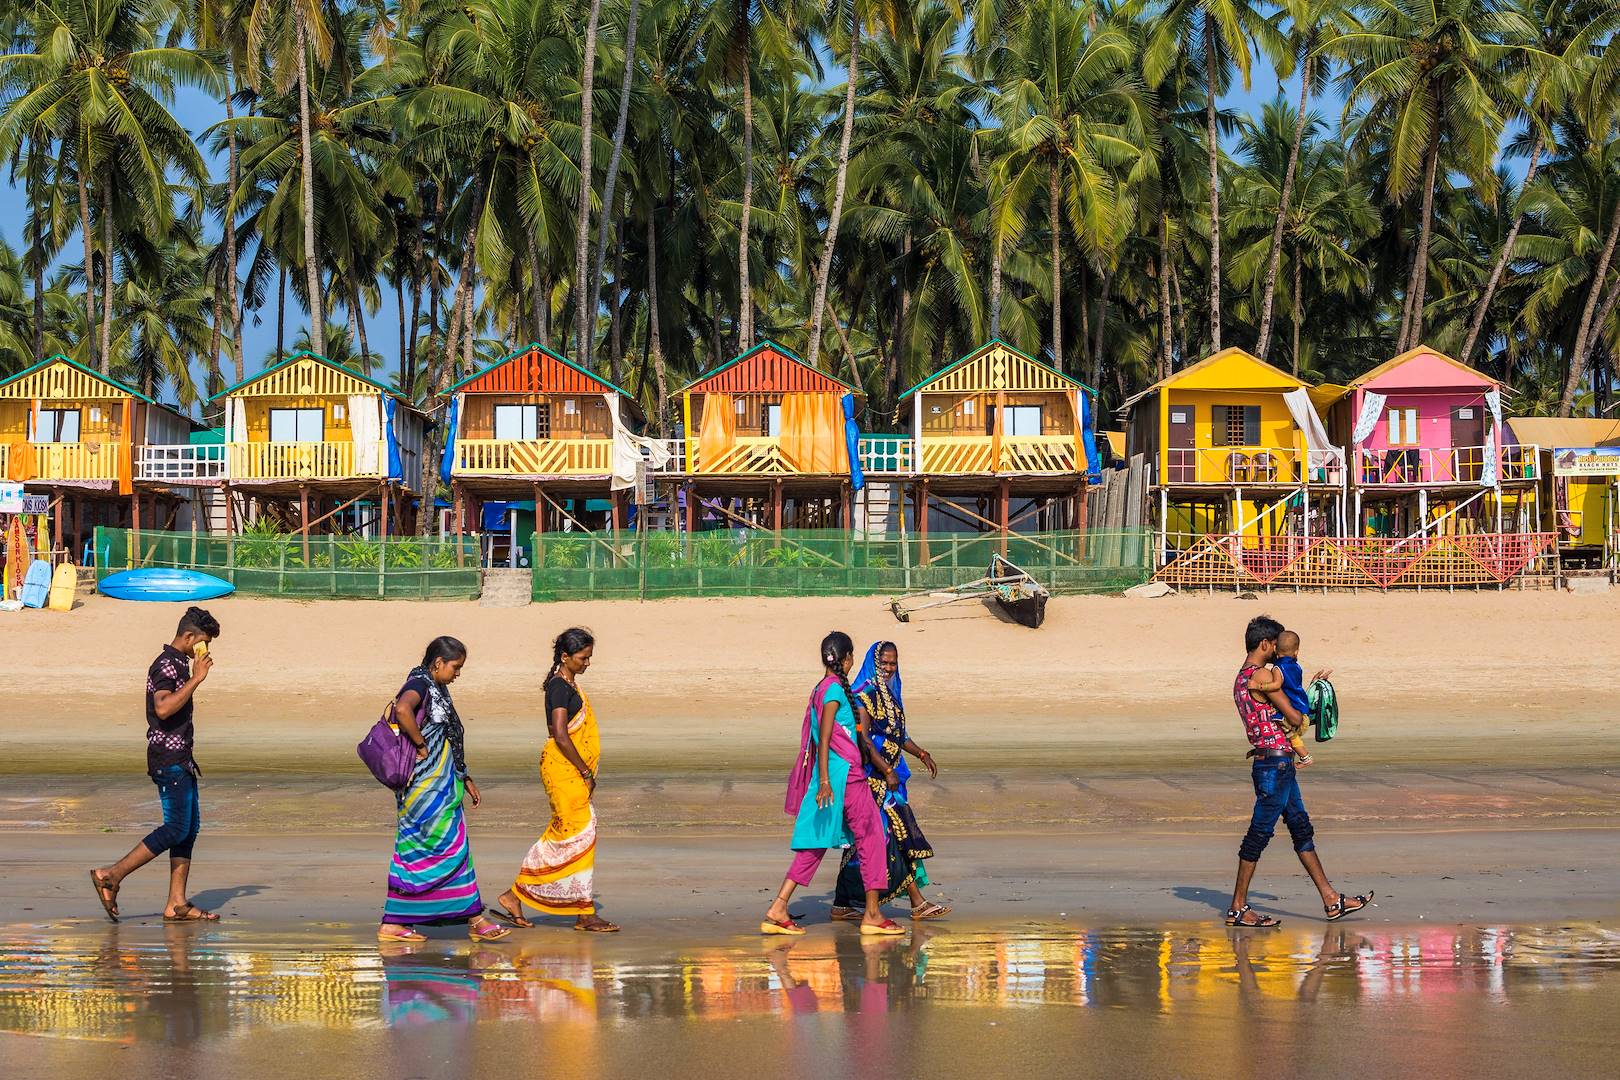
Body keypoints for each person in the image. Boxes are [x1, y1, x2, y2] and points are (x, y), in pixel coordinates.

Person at [1226, 615, 1371, 928]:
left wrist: (1301, 692)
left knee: (1300, 827)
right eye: (1276, 646)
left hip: (1275, 762)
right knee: (1258, 835)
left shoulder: (1242, 677)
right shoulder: (1262, 673)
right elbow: (1292, 715)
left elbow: (1276, 709)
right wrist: (1310, 699)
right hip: (1275, 765)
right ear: (1265, 644)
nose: (1279, 652)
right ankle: (1238, 907)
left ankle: (1331, 899)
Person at [762, 632, 905, 937]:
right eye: (851, 656)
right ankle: (873, 915)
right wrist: (826, 780)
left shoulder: (822, 687)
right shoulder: (834, 690)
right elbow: (825, 738)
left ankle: (779, 907)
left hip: (833, 776)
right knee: (871, 838)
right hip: (845, 777)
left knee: (814, 843)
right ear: (847, 658)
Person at [90, 607, 222, 923]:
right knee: (175, 827)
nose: (203, 650)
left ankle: (176, 903)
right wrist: (197, 679)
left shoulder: (178, 663)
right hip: (168, 758)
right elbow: (163, 708)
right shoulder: (167, 664)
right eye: (203, 642)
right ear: (189, 637)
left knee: (188, 830)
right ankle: (111, 875)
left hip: (182, 758)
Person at [378, 637, 510, 943]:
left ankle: (397, 922)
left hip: (441, 784)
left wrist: (464, 777)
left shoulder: (434, 686)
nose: (458, 673)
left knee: (426, 850)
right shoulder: (419, 685)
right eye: (455, 667)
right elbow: (402, 710)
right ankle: (474, 918)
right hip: (425, 788)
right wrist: (421, 744)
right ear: (438, 663)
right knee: (449, 848)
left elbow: (449, 738)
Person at [495, 627, 619, 932]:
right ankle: (523, 895)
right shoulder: (558, 688)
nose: (587, 663)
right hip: (563, 769)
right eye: (582, 658)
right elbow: (561, 735)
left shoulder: (569, 684)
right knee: (572, 834)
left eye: (589, 657)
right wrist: (585, 770)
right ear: (565, 657)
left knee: (578, 835)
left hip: (570, 770)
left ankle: (578, 908)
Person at [830, 641, 950, 921]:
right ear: (873, 664)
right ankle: (916, 902)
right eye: (883, 663)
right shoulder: (863, 696)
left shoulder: (892, 697)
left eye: (892, 664)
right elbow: (864, 740)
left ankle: (841, 902)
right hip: (874, 779)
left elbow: (899, 735)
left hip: (893, 778)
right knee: (892, 838)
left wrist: (921, 753)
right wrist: (885, 770)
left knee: (881, 841)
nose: (888, 669)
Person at [1248, 630, 1330, 766]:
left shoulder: (1277, 667)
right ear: (1296, 652)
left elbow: (1276, 685)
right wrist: (1314, 685)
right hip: (1303, 711)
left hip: (1294, 716)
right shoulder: (1296, 667)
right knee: (1291, 734)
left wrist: (1258, 685)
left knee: (1289, 733)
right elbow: (1295, 688)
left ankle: (1305, 756)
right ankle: (1305, 756)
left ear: (1275, 649)